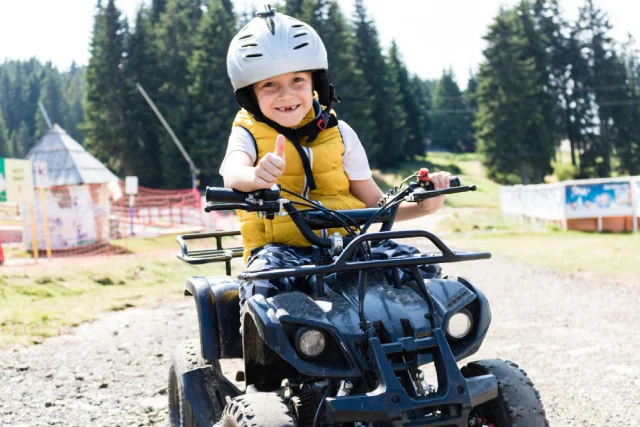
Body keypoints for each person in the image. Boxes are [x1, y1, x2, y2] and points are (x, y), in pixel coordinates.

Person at [220, 8, 454, 307]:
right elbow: (232, 171)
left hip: (349, 244)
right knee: (262, 289)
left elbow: (374, 204)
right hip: (279, 249)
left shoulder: (341, 133)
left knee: (420, 268)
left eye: (297, 80)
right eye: (270, 84)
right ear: (250, 95)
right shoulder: (248, 133)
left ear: (315, 83)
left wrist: (422, 207)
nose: (287, 94)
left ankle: (420, 343)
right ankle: (267, 353)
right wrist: (254, 176)